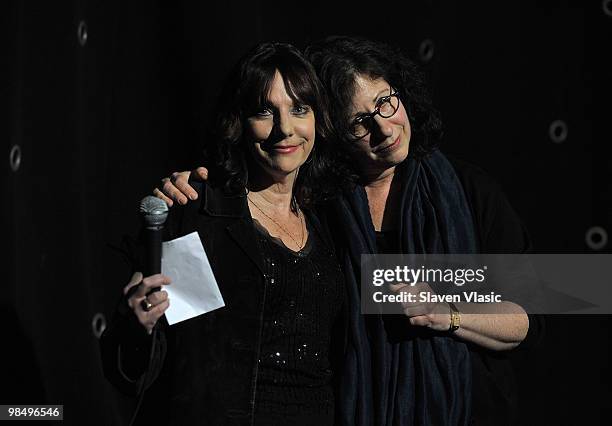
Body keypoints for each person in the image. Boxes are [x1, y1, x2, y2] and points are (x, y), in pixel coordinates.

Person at [156, 36, 543, 426]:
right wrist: (195, 190)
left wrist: (451, 314)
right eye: (359, 122)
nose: (384, 128)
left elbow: (537, 310)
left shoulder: (470, 192)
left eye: (385, 102)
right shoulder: (318, 206)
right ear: (333, 131)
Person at [100, 42, 350, 426]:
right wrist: (137, 329)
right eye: (264, 112)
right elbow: (163, 368)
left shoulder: (332, 221)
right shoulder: (201, 216)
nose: (285, 129)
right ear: (239, 123)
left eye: (299, 109)